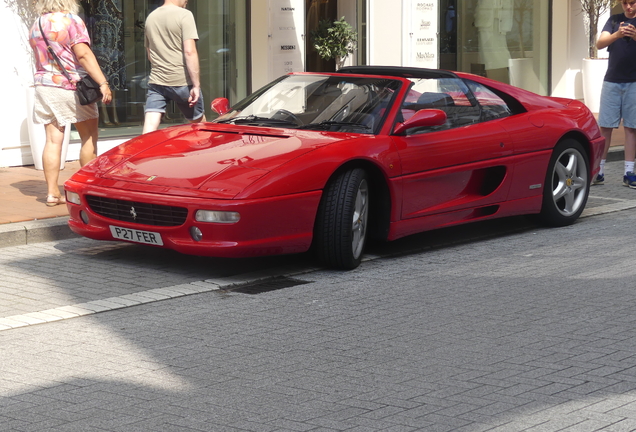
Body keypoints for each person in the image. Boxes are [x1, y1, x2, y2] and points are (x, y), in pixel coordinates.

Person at [29, 0, 112, 207]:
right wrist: (103, 82)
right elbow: (83, 54)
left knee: (53, 140)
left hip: (45, 86)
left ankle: (51, 193)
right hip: (70, 86)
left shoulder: (37, 24)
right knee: (89, 137)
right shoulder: (71, 20)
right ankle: (88, 189)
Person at [142, 0, 206, 134]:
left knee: (149, 127)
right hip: (182, 81)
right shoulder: (184, 15)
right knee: (200, 126)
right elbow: (190, 51)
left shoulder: (151, 17)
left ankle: (142, 154)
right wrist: (196, 85)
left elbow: (149, 54)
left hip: (157, 82)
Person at [595, 0, 636, 188]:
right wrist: (617, 35)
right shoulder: (613, 20)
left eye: (633, 3)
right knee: (605, 127)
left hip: (634, 83)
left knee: (631, 128)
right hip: (612, 81)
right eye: (626, 3)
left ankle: (629, 172)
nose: (629, 7)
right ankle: (599, 172)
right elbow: (600, 43)